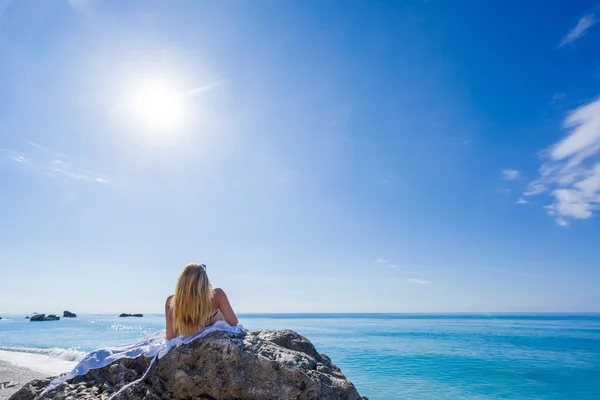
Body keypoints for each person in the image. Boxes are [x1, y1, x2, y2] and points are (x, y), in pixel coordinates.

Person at [165, 263, 238, 340]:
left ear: (181, 283)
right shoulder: (217, 295)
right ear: (204, 282)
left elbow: (170, 336)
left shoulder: (172, 302)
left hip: (191, 343)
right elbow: (235, 325)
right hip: (217, 341)